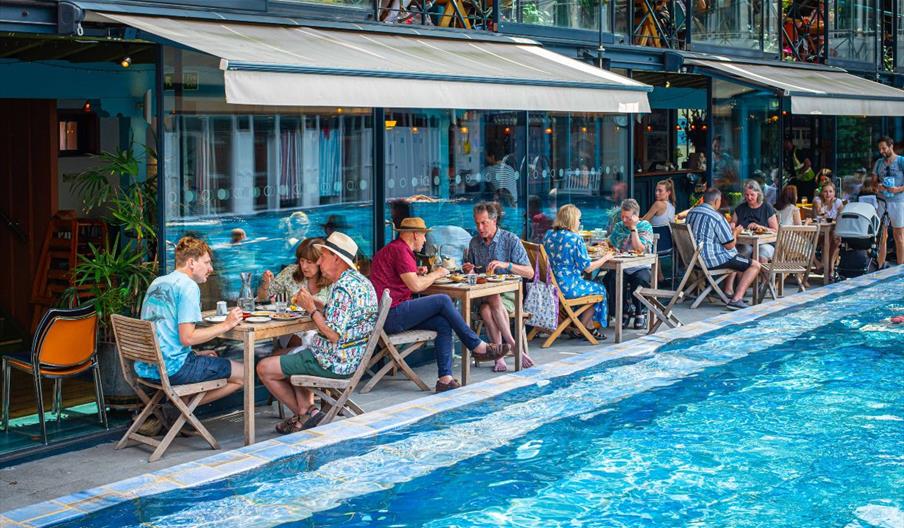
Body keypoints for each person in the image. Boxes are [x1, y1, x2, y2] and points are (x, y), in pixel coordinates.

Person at [256, 232, 378, 434]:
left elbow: (333, 334)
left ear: (336, 259)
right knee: (292, 355)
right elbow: (343, 318)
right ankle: (306, 414)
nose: (319, 262)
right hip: (350, 359)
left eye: (323, 257)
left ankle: (309, 415)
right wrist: (322, 305)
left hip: (331, 361)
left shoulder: (342, 288)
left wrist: (312, 309)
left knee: (264, 368)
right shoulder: (360, 282)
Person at [370, 217, 510, 392]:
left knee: (442, 323)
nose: (425, 240)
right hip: (391, 316)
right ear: (415, 234)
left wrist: (418, 273)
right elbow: (416, 286)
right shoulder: (401, 251)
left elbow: (403, 280)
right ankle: (476, 346)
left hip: (390, 314)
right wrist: (437, 273)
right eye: (423, 236)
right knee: (443, 300)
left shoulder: (395, 249)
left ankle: (445, 379)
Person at [138, 236, 245, 406]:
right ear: (191, 263)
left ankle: (179, 406)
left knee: (210, 358)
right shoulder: (188, 286)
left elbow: (166, 336)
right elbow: (187, 338)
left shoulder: (158, 283)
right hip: (173, 370)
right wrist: (227, 324)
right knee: (244, 373)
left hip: (148, 368)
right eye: (207, 262)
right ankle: (182, 407)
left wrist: (193, 354)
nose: (211, 268)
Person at [462, 202, 534, 372]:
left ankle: (500, 356)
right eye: (477, 223)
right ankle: (513, 345)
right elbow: (474, 273)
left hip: (510, 296)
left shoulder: (510, 240)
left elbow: (530, 273)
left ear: (494, 221)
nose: (479, 227)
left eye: (484, 223)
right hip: (483, 294)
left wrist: (507, 265)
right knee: (490, 299)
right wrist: (470, 270)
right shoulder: (474, 243)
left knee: (487, 309)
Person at [543, 205, 612, 339]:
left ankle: (585, 326)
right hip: (567, 288)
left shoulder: (549, 235)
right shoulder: (575, 238)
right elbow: (588, 268)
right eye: (578, 219)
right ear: (572, 219)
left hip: (551, 285)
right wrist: (606, 258)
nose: (579, 222)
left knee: (589, 288)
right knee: (600, 289)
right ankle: (583, 328)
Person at [686, 188, 762, 310]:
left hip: (693, 260)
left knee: (736, 255)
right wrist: (736, 232)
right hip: (712, 260)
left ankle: (728, 292)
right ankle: (736, 299)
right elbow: (730, 245)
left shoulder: (691, 213)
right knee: (755, 265)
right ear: (716, 201)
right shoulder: (717, 217)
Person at [606, 199, 655, 329]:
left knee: (639, 279)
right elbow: (611, 243)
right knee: (612, 278)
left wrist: (633, 229)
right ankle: (623, 311)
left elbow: (640, 249)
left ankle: (640, 312)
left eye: (627, 217)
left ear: (636, 216)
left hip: (640, 265)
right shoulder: (619, 226)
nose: (624, 220)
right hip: (622, 265)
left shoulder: (645, 226)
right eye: (622, 216)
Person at [873, 136, 904, 265]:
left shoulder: (901, 161)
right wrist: (877, 187)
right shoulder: (879, 163)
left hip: (898, 201)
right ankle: (880, 266)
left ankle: (901, 268)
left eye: (884, 148)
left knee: (899, 235)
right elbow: (873, 184)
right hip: (882, 202)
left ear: (891, 146)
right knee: (881, 236)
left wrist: (897, 189)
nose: (882, 151)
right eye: (880, 149)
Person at [731, 180, 778, 262]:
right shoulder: (740, 208)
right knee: (744, 253)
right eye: (747, 195)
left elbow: (775, 230)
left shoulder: (767, 207)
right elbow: (733, 224)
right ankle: (745, 274)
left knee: (762, 254)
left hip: (765, 243)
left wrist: (760, 227)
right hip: (744, 243)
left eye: (752, 194)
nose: (749, 197)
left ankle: (762, 274)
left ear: (758, 194)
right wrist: (732, 225)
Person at [484, 141, 518, 206]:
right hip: (514, 203)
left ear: (492, 157)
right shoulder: (510, 169)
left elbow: (472, 181)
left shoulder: (489, 170)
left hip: (503, 205)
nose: (485, 159)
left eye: (486, 156)